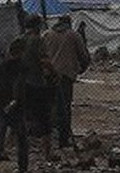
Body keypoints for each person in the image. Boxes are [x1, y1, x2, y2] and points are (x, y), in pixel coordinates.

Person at [42, 14, 90, 147]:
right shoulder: (74, 36)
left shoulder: (47, 35)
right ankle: (63, 139)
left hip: (48, 76)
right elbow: (84, 56)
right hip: (65, 76)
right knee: (64, 107)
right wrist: (81, 69)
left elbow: (41, 55)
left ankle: (48, 139)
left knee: (49, 106)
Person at [14, 15, 56, 163]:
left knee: (21, 119)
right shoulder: (38, 41)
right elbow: (44, 61)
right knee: (45, 120)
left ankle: (20, 155)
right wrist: (52, 72)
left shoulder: (18, 41)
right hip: (37, 84)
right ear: (37, 26)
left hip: (21, 85)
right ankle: (47, 154)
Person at [0, 37, 29, 173]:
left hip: (2, 106)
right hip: (17, 107)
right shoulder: (23, 67)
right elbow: (21, 87)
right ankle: (23, 169)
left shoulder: (3, 66)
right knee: (22, 139)